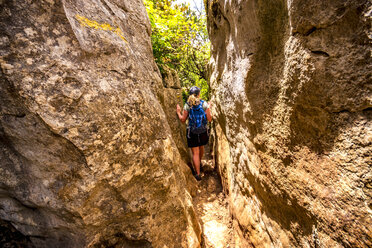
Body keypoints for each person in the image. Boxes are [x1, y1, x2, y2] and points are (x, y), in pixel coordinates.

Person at [176, 86, 212, 181]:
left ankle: (198, 173)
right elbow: (209, 119)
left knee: (195, 153)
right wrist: (209, 108)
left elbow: (183, 120)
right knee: (201, 147)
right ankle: (199, 163)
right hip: (203, 131)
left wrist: (178, 112)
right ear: (199, 94)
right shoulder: (204, 104)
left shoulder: (188, 105)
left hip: (192, 132)